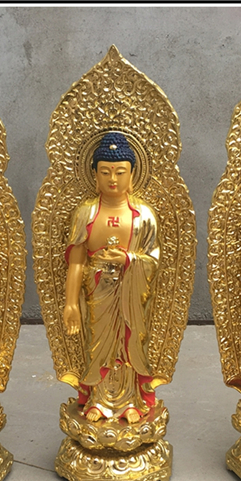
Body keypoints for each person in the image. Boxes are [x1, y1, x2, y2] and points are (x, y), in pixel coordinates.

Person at [63, 132, 160, 424]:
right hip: (97, 293)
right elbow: (76, 261)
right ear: (95, 175)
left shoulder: (143, 215)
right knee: (98, 344)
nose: (113, 179)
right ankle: (98, 400)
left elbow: (153, 260)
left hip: (131, 293)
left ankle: (131, 400)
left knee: (129, 342)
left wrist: (128, 260)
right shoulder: (86, 213)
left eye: (120, 172)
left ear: (132, 175)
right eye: (105, 172)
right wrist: (71, 303)